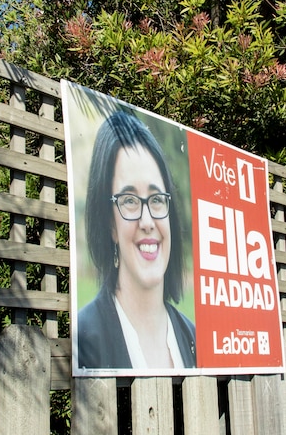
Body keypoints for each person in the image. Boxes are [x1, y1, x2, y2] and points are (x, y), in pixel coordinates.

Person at [77, 110, 196, 370]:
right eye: (129, 201)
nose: (147, 222)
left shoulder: (194, 339)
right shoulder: (83, 339)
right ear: (110, 223)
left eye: (156, 199)